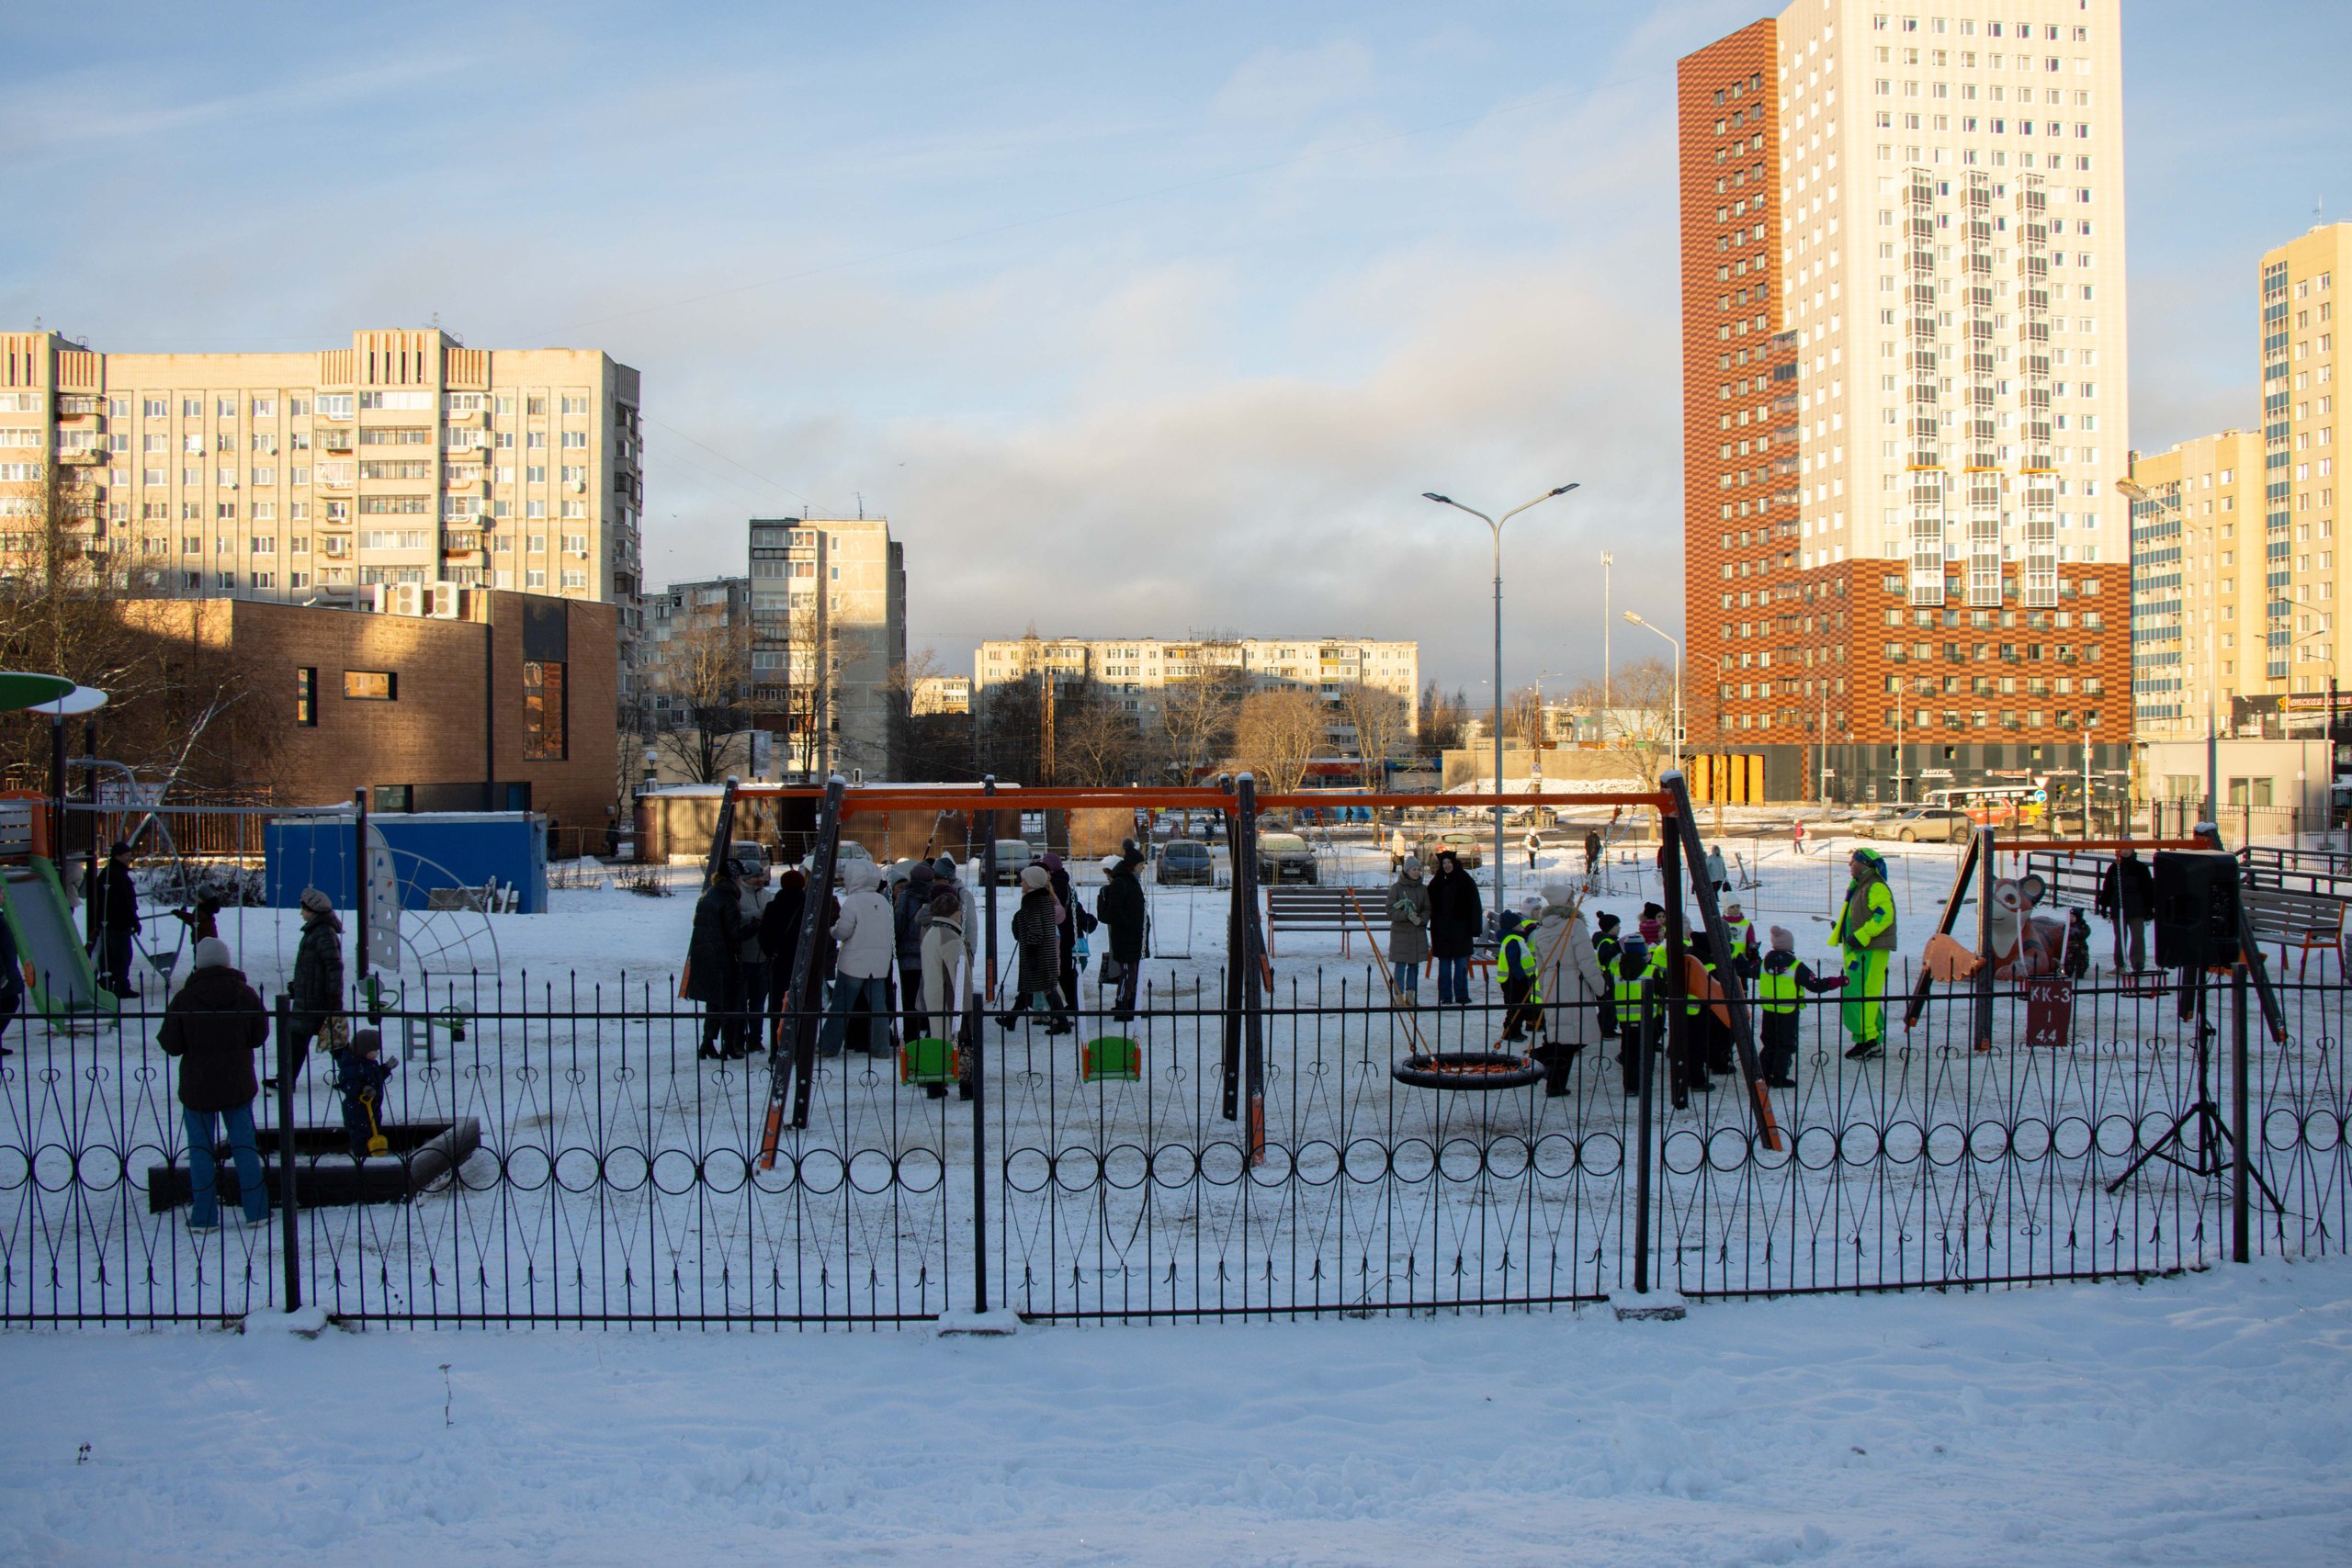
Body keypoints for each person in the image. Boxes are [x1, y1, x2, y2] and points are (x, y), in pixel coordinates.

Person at [157, 936, 270, 1231]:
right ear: (227, 960)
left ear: (199, 963)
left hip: (197, 1086)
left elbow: (170, 1043)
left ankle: (204, 1216)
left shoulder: (185, 998)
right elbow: (259, 1036)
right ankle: (256, 1210)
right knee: (245, 1147)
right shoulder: (244, 994)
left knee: (201, 1151)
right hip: (238, 1083)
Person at [1531, 882, 1605, 1096]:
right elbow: (1587, 960)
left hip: (1553, 985)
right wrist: (1600, 988)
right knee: (1571, 1039)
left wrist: (1544, 990)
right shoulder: (1575, 925)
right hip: (1574, 984)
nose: (1574, 902)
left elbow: (1541, 965)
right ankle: (1542, 1058)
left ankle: (1555, 1083)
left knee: (1563, 1038)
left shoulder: (1543, 929)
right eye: (1571, 899)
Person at [1829, 847, 1899, 1061]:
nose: (1849, 865)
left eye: (1853, 861)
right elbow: (1861, 915)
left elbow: (1884, 915)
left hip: (1869, 950)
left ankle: (1867, 1041)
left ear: (1864, 864)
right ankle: (1871, 1038)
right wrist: (1843, 929)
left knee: (1861, 994)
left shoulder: (1875, 886)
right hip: (1859, 950)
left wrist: (1861, 936)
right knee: (1858, 993)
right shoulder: (1861, 885)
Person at [820, 859, 896, 1057]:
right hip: (879, 963)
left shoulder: (853, 901)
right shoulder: (882, 900)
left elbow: (844, 931)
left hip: (854, 962)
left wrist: (832, 930)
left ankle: (829, 1046)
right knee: (879, 1007)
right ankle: (881, 1048)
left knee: (841, 1006)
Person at [271, 886, 345, 1089]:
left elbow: (334, 966)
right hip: (310, 997)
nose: (301, 912)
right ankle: (286, 1079)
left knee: (332, 1041)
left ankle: (351, 1075)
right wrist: (299, 985)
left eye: (303, 908)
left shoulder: (323, 934)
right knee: (307, 1039)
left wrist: (333, 995)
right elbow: (312, 966)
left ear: (313, 910)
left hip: (317, 1000)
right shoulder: (315, 932)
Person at [1756, 926, 1845, 1089]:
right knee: (1785, 1044)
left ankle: (1764, 1073)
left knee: (1769, 1042)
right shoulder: (1796, 966)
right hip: (1788, 1011)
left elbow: (1748, 970)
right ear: (1790, 945)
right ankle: (1779, 1076)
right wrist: (1837, 981)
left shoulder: (1764, 964)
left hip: (1768, 1010)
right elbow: (1815, 985)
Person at [1001, 864, 1069, 1034]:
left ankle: (1062, 1023)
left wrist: (1031, 950)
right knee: (1029, 987)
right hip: (1045, 952)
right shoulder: (1045, 898)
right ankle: (1011, 1019)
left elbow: (1036, 929)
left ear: (1031, 882)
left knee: (1046, 988)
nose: (1021, 882)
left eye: (1024, 879)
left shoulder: (1031, 901)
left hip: (1038, 953)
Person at [686, 864, 746, 1060]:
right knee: (730, 1003)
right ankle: (728, 1045)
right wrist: (754, 926)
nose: (741, 881)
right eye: (739, 877)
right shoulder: (727, 898)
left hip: (704, 955)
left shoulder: (709, 894)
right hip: (723, 958)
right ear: (733, 878)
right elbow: (734, 933)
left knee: (714, 1002)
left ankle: (707, 1042)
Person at [758, 865, 809, 1050]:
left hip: (780, 962)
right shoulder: (809, 907)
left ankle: (777, 1046)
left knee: (778, 1005)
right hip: (804, 962)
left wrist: (772, 952)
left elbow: (763, 936)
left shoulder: (773, 906)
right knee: (802, 1003)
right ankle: (800, 1044)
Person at [1095, 847, 1148, 1022]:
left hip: (1133, 935)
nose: (1143, 867)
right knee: (1127, 972)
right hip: (1126, 935)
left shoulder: (1131, 881)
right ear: (1133, 865)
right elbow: (1116, 910)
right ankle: (1122, 1006)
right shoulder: (1122, 882)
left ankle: (1130, 1004)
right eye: (1141, 864)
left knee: (1132, 971)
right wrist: (1130, 924)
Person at [332, 1026, 397, 1159]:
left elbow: (376, 1077)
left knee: (374, 1131)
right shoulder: (352, 1066)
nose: (377, 1053)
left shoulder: (369, 1064)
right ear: (364, 1050)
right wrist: (362, 1089)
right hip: (357, 1110)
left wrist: (386, 1068)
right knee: (360, 1134)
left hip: (372, 1108)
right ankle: (361, 1155)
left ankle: (373, 1153)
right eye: (374, 1051)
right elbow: (348, 1084)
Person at [919, 883, 967, 1056]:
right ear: (951, 913)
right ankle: (946, 1073)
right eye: (958, 910)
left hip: (933, 992)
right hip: (948, 997)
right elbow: (960, 977)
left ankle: (937, 1076)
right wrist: (968, 1005)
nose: (961, 914)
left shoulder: (931, 932)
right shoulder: (950, 937)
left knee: (938, 1034)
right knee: (949, 1038)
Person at [91, 840, 141, 997]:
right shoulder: (115, 875)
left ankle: (109, 983)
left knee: (114, 955)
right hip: (117, 923)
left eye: (129, 855)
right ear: (117, 856)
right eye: (126, 855)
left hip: (113, 921)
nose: (129, 858)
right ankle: (118, 985)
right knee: (121, 955)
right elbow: (122, 902)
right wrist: (132, 919)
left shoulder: (113, 873)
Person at [2095, 846, 2154, 974]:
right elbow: (2107, 888)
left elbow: (2148, 889)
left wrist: (2149, 907)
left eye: (2128, 849)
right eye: (2123, 849)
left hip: (2137, 907)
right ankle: (2120, 965)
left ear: (2133, 850)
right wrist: (2104, 904)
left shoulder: (2141, 868)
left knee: (2138, 937)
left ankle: (2138, 965)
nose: (2125, 852)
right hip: (2118, 906)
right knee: (2120, 937)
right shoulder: (2114, 868)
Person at [895, 861, 936, 1043]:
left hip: (908, 955)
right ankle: (929, 1033)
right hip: (929, 953)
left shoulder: (906, 896)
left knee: (910, 999)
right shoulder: (934, 896)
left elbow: (899, 922)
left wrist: (896, 943)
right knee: (928, 996)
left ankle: (911, 1037)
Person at [1383, 856, 1431, 1008]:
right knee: (1401, 965)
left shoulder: (1423, 889)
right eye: (1413, 869)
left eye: (1418, 869)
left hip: (1417, 932)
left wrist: (1421, 919)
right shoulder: (1396, 888)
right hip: (1401, 933)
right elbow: (1390, 910)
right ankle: (1398, 995)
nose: (1416, 872)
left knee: (1414, 966)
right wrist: (1405, 915)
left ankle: (1411, 994)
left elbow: (1428, 909)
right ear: (1406, 870)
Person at [1611, 933, 1654, 1097]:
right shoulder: (1650, 970)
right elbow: (1662, 992)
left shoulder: (1618, 971)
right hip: (1646, 1018)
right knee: (1645, 1053)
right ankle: (1645, 1083)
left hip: (1625, 1018)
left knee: (1629, 1052)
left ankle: (1630, 1086)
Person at [736, 866, 773, 1044]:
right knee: (741, 1001)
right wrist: (760, 914)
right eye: (755, 876)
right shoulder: (738, 895)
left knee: (758, 1002)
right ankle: (738, 1038)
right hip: (744, 957)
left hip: (763, 957)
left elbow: (773, 914)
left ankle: (755, 1039)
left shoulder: (766, 895)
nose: (759, 879)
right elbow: (738, 918)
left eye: (761, 875)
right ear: (745, 878)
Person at [1495, 911, 1543, 1043]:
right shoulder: (1513, 940)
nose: (1520, 926)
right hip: (1514, 980)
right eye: (1518, 924)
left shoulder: (1514, 938)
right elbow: (1513, 960)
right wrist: (1521, 976)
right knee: (1516, 1007)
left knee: (1519, 1006)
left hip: (1516, 979)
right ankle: (1511, 1032)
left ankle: (1515, 1030)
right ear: (1512, 926)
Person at [1590, 910, 1622, 1041]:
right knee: (1608, 1005)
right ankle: (1605, 1029)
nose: (1619, 928)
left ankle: (1608, 1028)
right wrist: (1617, 947)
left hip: (1610, 977)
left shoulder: (1609, 941)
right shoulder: (1606, 942)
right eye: (1617, 925)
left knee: (1610, 1004)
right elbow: (1605, 956)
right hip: (1606, 977)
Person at [1720, 898, 1760, 983]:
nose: (1736, 909)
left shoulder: (1746, 923)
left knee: (1742, 987)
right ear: (1726, 909)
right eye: (1732, 907)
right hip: (1725, 961)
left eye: (1738, 906)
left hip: (1742, 961)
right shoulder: (1721, 923)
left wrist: (1753, 956)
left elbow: (1751, 942)